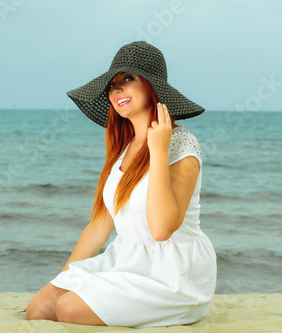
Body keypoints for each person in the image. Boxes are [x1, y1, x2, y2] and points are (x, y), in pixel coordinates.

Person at [26, 41, 217, 328]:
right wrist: (64, 278)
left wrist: (158, 151)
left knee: (67, 309)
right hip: (126, 260)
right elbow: (99, 226)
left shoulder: (182, 146)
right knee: (39, 308)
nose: (117, 90)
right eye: (113, 84)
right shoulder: (124, 146)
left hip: (171, 276)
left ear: (153, 88)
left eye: (128, 79)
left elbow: (162, 229)